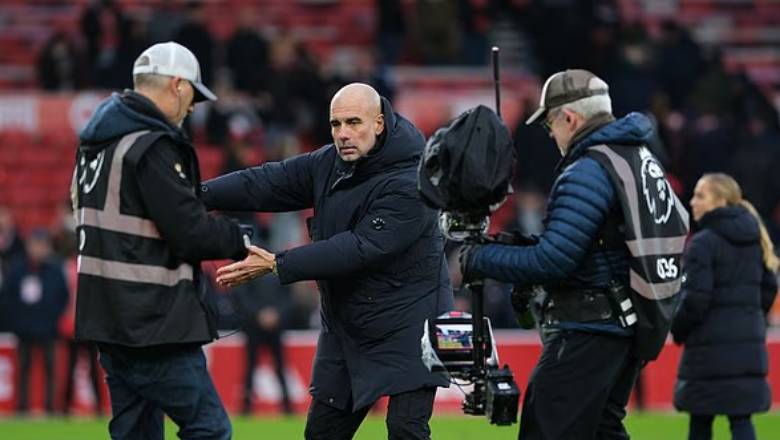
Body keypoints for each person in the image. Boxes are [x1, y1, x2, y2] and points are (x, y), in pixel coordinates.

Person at [200, 83, 454, 440]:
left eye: (354, 122)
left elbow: (360, 247)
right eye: (336, 124)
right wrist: (198, 194)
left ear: (379, 123)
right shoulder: (329, 162)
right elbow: (267, 182)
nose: (343, 134)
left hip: (409, 325)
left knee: (405, 431)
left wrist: (277, 263)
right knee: (322, 435)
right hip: (348, 326)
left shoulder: (412, 181)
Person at [460, 69, 688, 439]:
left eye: (550, 123)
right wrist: (517, 246)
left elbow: (554, 262)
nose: (550, 134)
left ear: (570, 117)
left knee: (545, 428)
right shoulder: (637, 157)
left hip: (591, 326)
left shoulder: (589, 169)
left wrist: (479, 259)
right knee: (602, 430)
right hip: (629, 320)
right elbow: (590, 245)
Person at [72, 42, 251, 439]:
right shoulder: (150, 145)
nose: (191, 109)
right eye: (192, 96)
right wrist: (239, 240)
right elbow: (190, 233)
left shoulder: (97, 146)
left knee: (136, 433)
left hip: (108, 319)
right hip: (152, 321)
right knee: (210, 428)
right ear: (177, 85)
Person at [671, 173, 778, 440]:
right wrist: (748, 319)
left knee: (700, 421)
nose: (692, 201)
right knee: (742, 421)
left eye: (700, 195)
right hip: (747, 348)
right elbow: (769, 287)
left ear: (720, 201)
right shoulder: (755, 239)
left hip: (708, 351)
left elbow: (695, 299)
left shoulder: (703, 243)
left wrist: (678, 328)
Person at [4, 229, 68, 414]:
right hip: (24, 329)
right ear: (28, 246)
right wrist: (17, 322)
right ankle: (22, 406)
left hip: (48, 329)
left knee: (50, 369)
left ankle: (50, 407)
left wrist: (53, 318)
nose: (38, 249)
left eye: (42, 245)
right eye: (35, 244)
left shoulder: (55, 270)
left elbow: (62, 297)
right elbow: (9, 298)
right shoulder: (17, 269)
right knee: (23, 369)